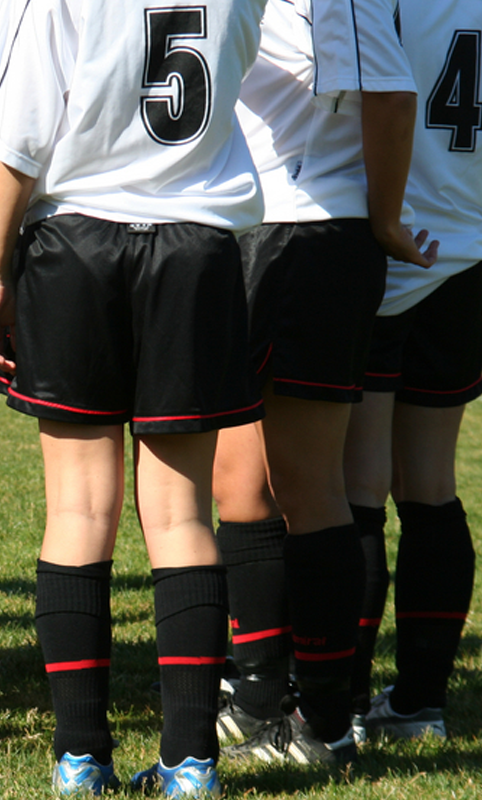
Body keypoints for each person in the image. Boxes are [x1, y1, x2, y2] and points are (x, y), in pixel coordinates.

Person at [0, 0, 268, 793]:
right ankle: (192, 763)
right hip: (196, 243)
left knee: (77, 510)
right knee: (182, 516)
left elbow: (19, 138)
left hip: (79, 241)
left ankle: (79, 758)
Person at [211, 0, 436, 766]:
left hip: (306, 232)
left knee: (308, 488)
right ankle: (256, 699)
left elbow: (393, 92)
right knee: (241, 482)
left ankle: (326, 722)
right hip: (256, 228)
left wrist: (384, 219)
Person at [342, 0, 480, 742]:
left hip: (392, 250)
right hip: (469, 255)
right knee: (430, 481)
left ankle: (340, 697)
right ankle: (420, 703)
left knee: (357, 482)